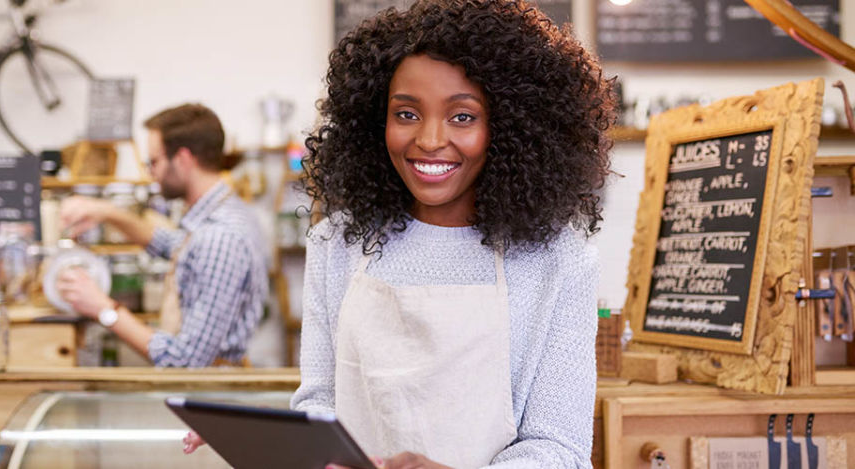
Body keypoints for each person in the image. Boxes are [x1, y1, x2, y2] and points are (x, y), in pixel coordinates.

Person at [185, 0, 614, 466]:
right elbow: (321, 401)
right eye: (406, 113)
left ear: (511, 127)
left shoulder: (558, 261)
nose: (429, 139)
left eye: (463, 116)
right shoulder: (338, 243)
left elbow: (560, 449)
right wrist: (285, 444)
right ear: (373, 121)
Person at [57, 103, 268, 367]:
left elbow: (184, 361)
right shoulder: (219, 214)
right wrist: (107, 212)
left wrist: (102, 308)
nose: (151, 171)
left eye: (154, 161)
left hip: (209, 396)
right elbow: (170, 245)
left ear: (182, 159)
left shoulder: (219, 236)